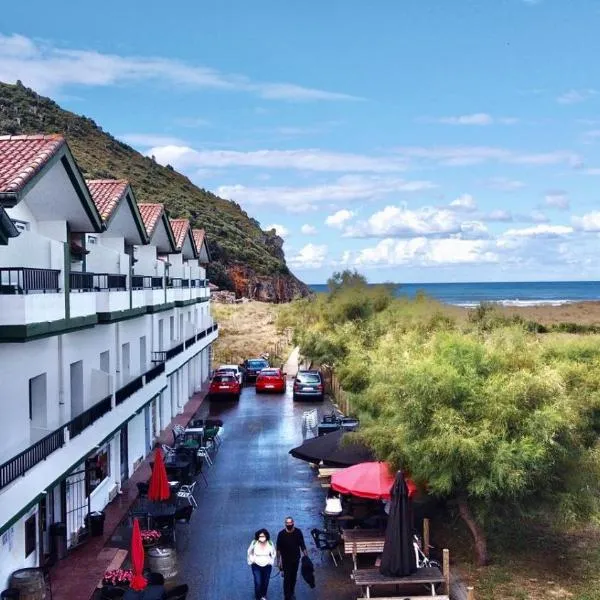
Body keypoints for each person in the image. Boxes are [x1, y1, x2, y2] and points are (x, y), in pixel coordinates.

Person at [276, 516, 308, 600]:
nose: (289, 524)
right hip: (285, 561)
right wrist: (278, 561)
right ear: (285, 524)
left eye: (290, 523)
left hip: (296, 559)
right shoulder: (281, 534)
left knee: (293, 577)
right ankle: (287, 596)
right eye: (287, 523)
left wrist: (306, 557)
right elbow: (278, 548)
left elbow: (302, 545)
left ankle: (292, 591)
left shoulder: (298, 532)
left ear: (293, 523)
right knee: (287, 578)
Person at [247, 528, 276, 600]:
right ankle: (258, 597)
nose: (262, 538)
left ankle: (263, 595)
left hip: (267, 566)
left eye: (263, 536)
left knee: (265, 582)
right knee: (258, 582)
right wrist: (252, 560)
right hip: (256, 565)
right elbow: (249, 552)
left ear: (266, 536)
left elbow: (273, 553)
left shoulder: (270, 543)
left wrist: (270, 561)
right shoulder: (254, 542)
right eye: (260, 536)